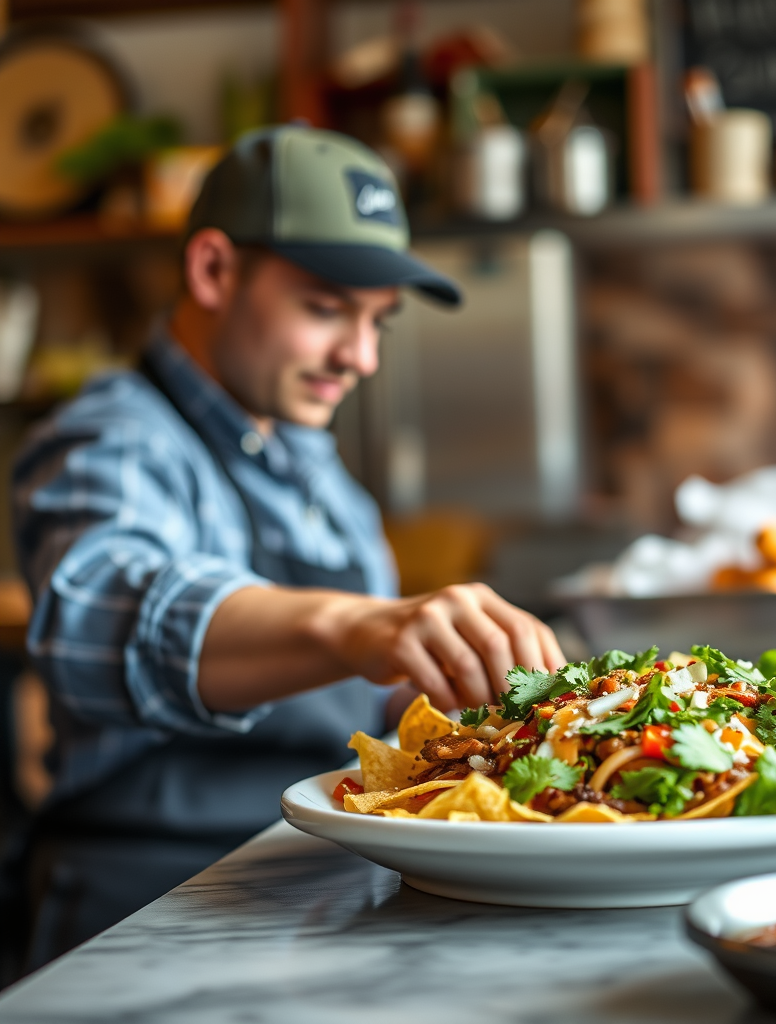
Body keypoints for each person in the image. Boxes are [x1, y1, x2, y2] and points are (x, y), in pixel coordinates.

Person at [11, 126, 564, 969]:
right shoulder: (115, 441)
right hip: (147, 916)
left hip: (319, 889)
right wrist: (357, 625)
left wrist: (462, 699)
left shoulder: (310, 460)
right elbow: (99, 612)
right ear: (212, 271)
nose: (361, 357)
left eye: (378, 320)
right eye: (325, 307)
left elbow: (367, 701)